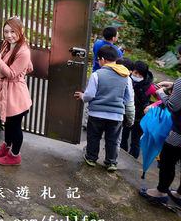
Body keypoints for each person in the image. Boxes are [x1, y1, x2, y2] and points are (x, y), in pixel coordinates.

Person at [74, 45, 135, 171]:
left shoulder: (97, 74)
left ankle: (91, 158)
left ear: (102, 59)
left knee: (94, 136)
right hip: (116, 115)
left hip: (96, 114)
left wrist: (82, 96)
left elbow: (90, 95)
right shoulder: (126, 76)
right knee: (113, 140)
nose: (98, 62)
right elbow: (129, 99)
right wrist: (129, 116)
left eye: (98, 60)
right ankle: (111, 162)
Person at [0, 17, 33, 166]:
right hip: (6, 93)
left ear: (21, 31)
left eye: (13, 31)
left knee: (15, 127)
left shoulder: (24, 52)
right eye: (6, 31)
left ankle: (15, 155)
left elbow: (11, 73)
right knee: (8, 124)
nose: (9, 35)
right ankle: (6, 148)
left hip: (17, 97)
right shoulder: (7, 45)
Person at [140, 45, 181, 207]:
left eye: (179, 56)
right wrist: (173, 85)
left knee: (168, 160)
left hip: (178, 133)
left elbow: (172, 106)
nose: (178, 59)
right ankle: (179, 193)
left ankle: (161, 192)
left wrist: (161, 92)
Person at [120, 60, 158, 158]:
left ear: (144, 75)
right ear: (132, 71)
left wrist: (152, 106)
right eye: (135, 73)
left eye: (140, 74)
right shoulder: (126, 80)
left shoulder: (150, 87)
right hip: (127, 114)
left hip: (140, 118)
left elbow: (160, 99)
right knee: (123, 137)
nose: (137, 76)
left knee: (135, 141)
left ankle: (132, 161)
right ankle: (121, 157)